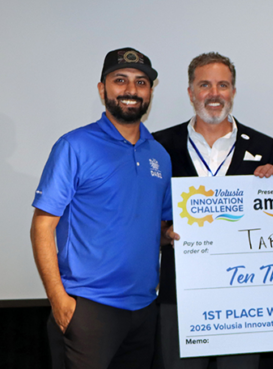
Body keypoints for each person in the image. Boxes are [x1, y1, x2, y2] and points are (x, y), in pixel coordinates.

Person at [31, 47, 171, 368]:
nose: (131, 90)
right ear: (102, 89)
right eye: (120, 80)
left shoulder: (159, 155)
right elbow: (42, 226)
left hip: (144, 307)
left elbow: (159, 229)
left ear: (150, 91)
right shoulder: (74, 146)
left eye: (141, 82)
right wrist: (59, 300)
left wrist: (179, 234)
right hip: (89, 308)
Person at [152, 52, 273, 369]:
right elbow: (143, 214)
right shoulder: (159, 146)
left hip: (244, 298)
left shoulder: (264, 147)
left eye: (222, 85)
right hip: (178, 296)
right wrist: (164, 234)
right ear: (190, 92)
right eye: (205, 85)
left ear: (233, 92)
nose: (214, 94)